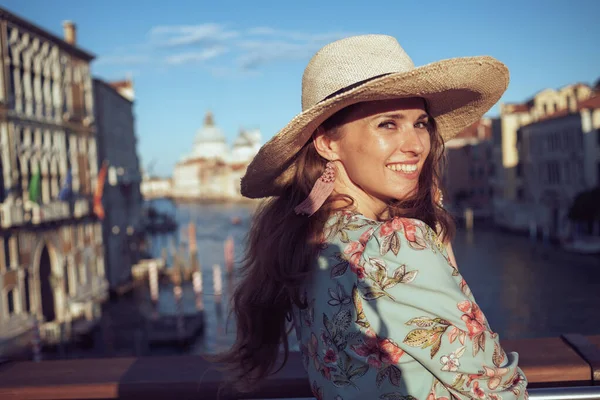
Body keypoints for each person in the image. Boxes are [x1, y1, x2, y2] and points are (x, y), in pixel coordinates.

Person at [216, 35, 528, 399]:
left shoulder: (303, 242)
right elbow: (502, 393)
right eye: (388, 124)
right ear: (327, 143)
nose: (416, 145)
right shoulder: (396, 244)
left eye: (421, 123)